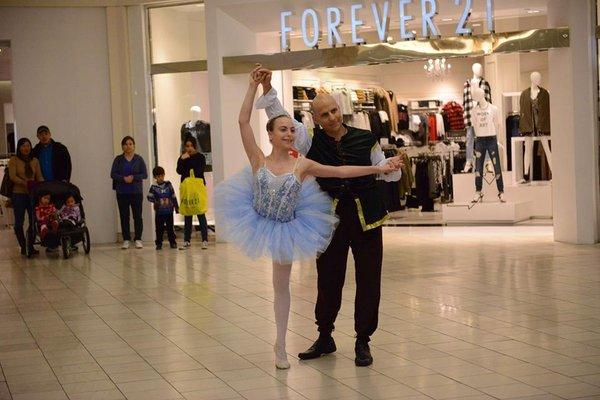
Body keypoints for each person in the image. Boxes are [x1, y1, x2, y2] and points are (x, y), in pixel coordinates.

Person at [214, 67, 399, 370]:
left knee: (369, 279)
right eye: (324, 114)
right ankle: (324, 335)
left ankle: (363, 339)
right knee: (328, 280)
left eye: (335, 111)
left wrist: (386, 170)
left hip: (367, 216)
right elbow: (278, 119)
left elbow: (371, 169)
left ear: (341, 109)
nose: (332, 118)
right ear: (316, 118)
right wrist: (264, 87)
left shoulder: (366, 138)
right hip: (329, 219)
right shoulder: (309, 142)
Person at [110, 136, 148, 249]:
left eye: (131, 143)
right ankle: (126, 239)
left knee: (137, 216)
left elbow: (144, 174)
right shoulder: (118, 159)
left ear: (134, 145)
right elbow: (113, 174)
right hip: (122, 192)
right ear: (122, 146)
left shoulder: (139, 159)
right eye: (126, 144)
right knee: (124, 216)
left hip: (136, 192)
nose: (128, 146)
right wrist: (123, 179)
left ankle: (138, 239)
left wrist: (134, 177)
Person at [8, 138, 44, 255]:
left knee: (34, 220)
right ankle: (23, 246)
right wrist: (25, 183)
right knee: (19, 222)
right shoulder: (14, 160)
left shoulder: (35, 161)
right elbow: (13, 176)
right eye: (23, 146)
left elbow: (39, 177)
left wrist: (43, 188)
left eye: (28, 145)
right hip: (18, 194)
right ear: (19, 148)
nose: (26, 148)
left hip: (32, 195)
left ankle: (30, 246)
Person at [176, 137, 209, 250]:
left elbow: (199, 171)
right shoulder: (183, 157)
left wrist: (188, 167)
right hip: (186, 188)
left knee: (200, 213)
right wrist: (182, 159)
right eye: (187, 146)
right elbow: (179, 171)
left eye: (191, 145)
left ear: (195, 145)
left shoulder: (200, 157)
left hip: (197, 188)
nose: (189, 148)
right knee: (188, 213)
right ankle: (186, 240)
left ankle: (204, 240)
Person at [147, 166, 178, 250]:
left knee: (170, 228)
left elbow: (173, 195)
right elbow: (149, 197)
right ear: (155, 177)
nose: (160, 178)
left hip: (169, 211)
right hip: (159, 212)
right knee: (159, 228)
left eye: (162, 176)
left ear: (164, 175)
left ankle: (173, 242)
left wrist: (176, 206)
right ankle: (159, 243)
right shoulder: (154, 187)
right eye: (158, 176)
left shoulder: (168, 184)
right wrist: (155, 201)